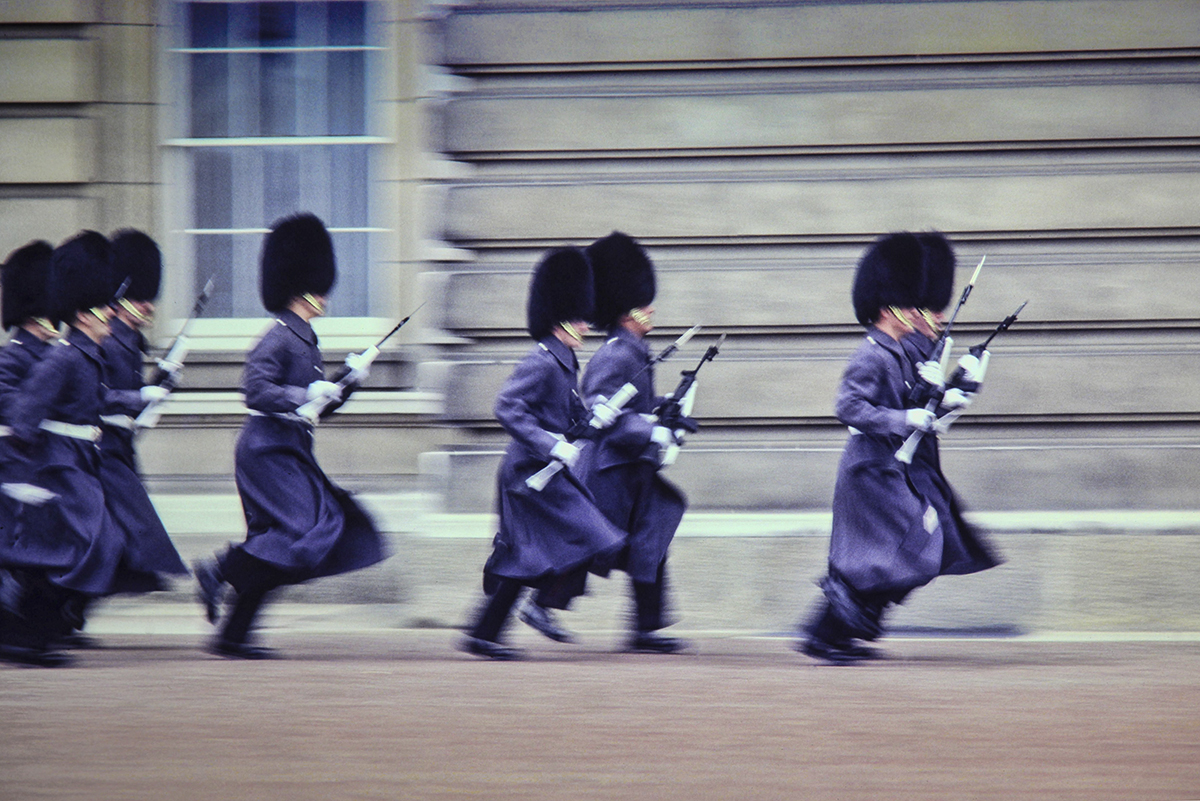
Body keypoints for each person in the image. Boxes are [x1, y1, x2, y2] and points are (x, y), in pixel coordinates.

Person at [797, 231, 1000, 664]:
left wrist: (954, 394)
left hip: (894, 469)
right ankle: (823, 633)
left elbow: (918, 404)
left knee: (904, 549)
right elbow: (849, 406)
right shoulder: (871, 355)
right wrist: (903, 419)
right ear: (891, 309)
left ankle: (846, 627)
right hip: (871, 471)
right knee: (895, 550)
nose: (919, 312)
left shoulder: (899, 353)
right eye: (909, 306)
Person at [193, 212, 387, 659]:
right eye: (320, 289)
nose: (326, 296)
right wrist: (307, 391)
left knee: (280, 543)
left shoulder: (306, 339)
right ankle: (218, 569)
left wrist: (350, 380)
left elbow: (318, 409)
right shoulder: (277, 338)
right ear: (305, 289)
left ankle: (232, 635)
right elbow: (255, 391)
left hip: (289, 449)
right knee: (305, 532)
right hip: (267, 451)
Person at [521, 231, 691, 653]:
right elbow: (603, 414)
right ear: (630, 309)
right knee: (585, 543)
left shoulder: (633, 349)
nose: (652, 309)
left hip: (630, 470)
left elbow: (636, 406)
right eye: (645, 304)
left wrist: (666, 412)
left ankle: (645, 627)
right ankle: (540, 602)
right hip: (607, 471)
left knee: (652, 538)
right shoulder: (617, 353)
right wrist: (650, 429)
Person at [459, 247, 625, 660]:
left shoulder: (565, 360)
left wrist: (596, 417)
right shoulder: (541, 360)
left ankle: (494, 626)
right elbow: (507, 407)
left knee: (588, 538)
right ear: (563, 318)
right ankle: (488, 632)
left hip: (548, 474)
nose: (587, 324)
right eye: (580, 317)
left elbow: (569, 414)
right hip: (527, 475)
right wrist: (550, 443)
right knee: (540, 549)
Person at [0, 231, 124, 666]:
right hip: (57, 465)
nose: (112, 314)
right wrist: (22, 476)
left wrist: (142, 400)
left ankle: (38, 632)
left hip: (80, 461)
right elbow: (23, 418)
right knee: (92, 543)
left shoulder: (83, 354)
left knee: (98, 544)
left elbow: (98, 403)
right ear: (85, 313)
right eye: (105, 307)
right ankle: (30, 630)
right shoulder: (65, 356)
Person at [96, 229, 188, 598]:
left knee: (111, 534)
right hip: (99, 450)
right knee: (116, 532)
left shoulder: (130, 339)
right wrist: (141, 397)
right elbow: (99, 397)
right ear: (121, 297)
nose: (150, 305)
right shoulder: (107, 337)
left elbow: (132, 401)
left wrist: (161, 384)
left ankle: (68, 617)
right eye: (141, 297)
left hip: (120, 446)